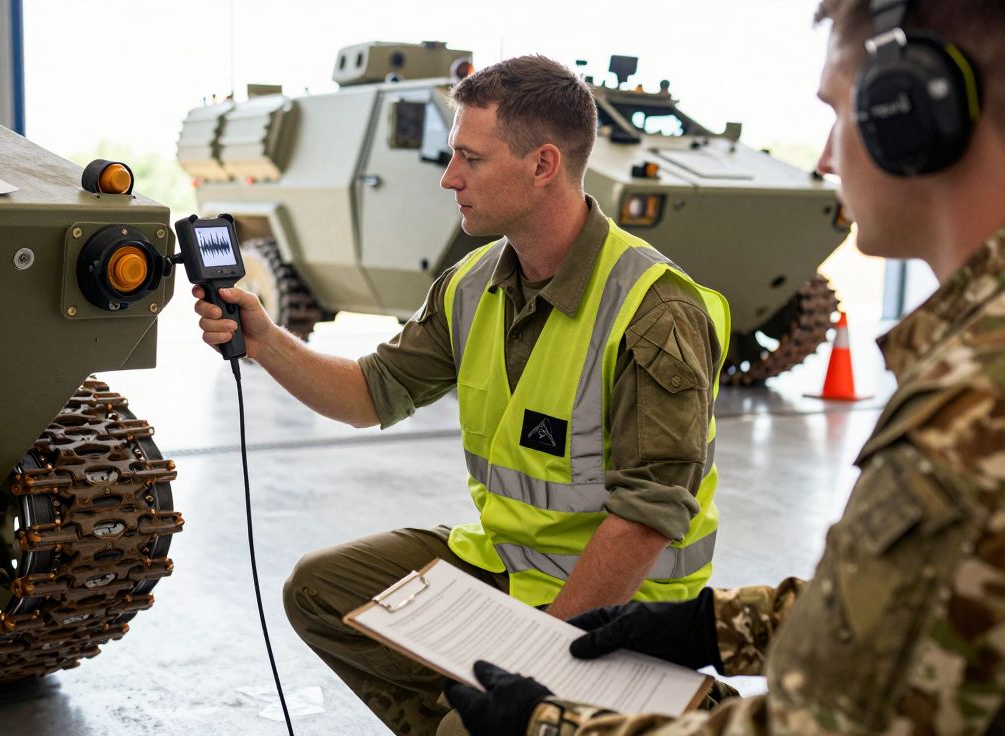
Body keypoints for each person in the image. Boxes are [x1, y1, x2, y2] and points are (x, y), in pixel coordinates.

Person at [445, 0, 1005, 733]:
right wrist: (718, 627)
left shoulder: (970, 414)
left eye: (842, 110)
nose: (827, 158)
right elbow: (903, 604)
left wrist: (551, 727)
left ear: (911, 112)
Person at [193, 54, 730, 735]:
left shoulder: (655, 309)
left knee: (480, 723)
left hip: (625, 610)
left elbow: (646, 520)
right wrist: (266, 341)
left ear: (542, 166)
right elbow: (370, 393)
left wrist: (539, 667)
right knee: (322, 590)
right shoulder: (473, 284)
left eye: (470, 159)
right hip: (504, 568)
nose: (449, 179)